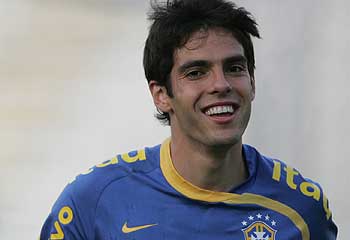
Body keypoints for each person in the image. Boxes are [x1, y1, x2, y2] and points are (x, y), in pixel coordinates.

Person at [40, 0, 338, 239]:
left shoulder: (300, 209)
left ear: (253, 83)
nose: (221, 84)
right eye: (196, 72)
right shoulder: (92, 203)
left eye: (234, 68)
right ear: (161, 95)